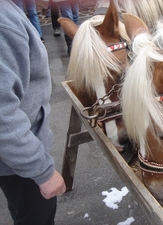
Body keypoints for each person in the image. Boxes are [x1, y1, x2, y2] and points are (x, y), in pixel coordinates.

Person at [0, 1, 66, 225]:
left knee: (22, 210)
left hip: (15, 160)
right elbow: (2, 115)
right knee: (37, 215)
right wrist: (42, 172)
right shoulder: (3, 22)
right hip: (19, 163)